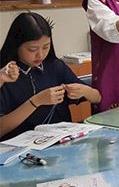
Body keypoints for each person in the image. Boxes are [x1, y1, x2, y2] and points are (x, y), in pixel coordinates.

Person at [0, 12, 102, 141]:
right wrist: (36, 101)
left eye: (46, 47)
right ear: (16, 45)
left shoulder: (55, 66)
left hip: (61, 145)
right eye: (32, 49)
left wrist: (84, 91)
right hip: (18, 150)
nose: (40, 55)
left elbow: (97, 97)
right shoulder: (5, 74)